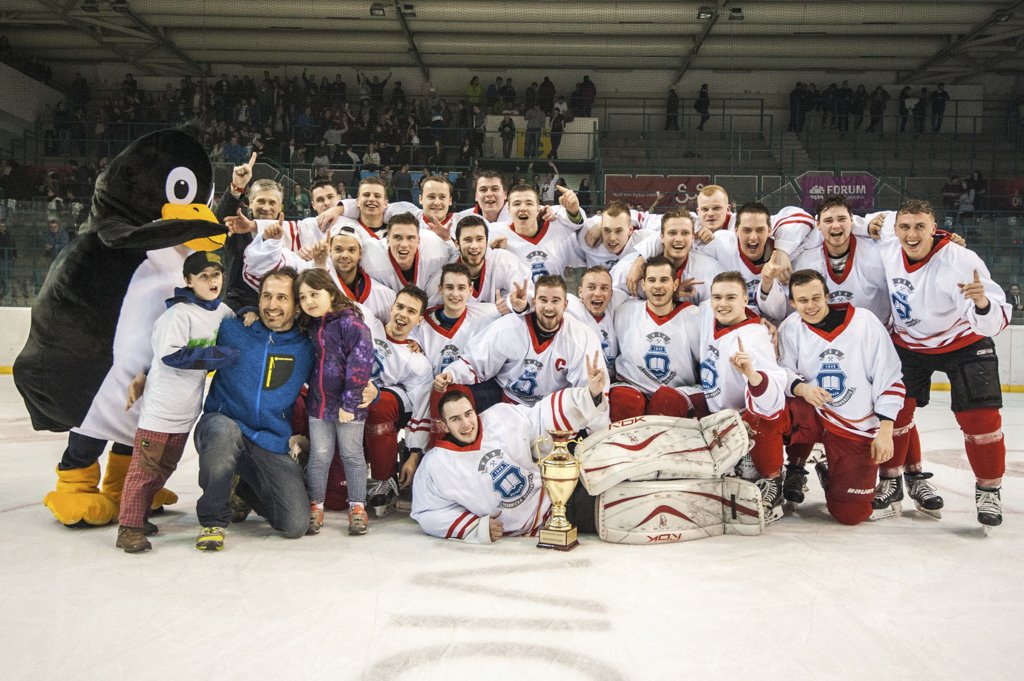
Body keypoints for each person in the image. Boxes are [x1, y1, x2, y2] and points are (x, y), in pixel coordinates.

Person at [863, 200, 1011, 527]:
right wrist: (870, 223)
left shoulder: (960, 260)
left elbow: (997, 317)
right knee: (893, 412)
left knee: (981, 418)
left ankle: (989, 489)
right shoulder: (889, 240)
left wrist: (983, 304)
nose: (911, 234)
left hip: (963, 341)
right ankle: (891, 480)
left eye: (920, 227)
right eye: (905, 227)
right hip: (908, 343)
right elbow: (873, 219)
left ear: (935, 228)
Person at [412, 355, 607, 543]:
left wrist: (589, 396)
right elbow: (426, 512)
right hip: (528, 528)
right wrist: (473, 527)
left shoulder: (500, 417)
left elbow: (540, 419)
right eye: (455, 419)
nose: (466, 424)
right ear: (445, 426)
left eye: (468, 414)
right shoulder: (435, 465)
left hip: (557, 499)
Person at [115, 252, 236, 553]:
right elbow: (172, 355)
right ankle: (128, 527)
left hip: (185, 412)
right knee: (145, 470)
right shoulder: (178, 314)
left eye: (216, 275)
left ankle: (139, 516)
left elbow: (236, 324)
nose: (211, 281)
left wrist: (247, 314)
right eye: (203, 276)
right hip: (160, 410)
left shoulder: (220, 311)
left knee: (164, 468)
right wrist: (221, 357)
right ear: (188, 280)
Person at [192, 269, 314, 550]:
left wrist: (370, 388)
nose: (272, 305)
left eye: (282, 298)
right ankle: (213, 520)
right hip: (222, 425)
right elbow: (193, 319)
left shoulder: (305, 347)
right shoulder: (233, 329)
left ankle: (244, 487)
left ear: (296, 306)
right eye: (266, 296)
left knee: (295, 524)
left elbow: (329, 379)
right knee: (223, 433)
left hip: (269, 440)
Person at [778, 270, 904, 525]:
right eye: (802, 301)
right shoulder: (791, 327)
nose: (810, 306)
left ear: (827, 296)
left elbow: (889, 377)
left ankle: (831, 473)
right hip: (811, 411)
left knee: (851, 514)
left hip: (854, 423)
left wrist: (885, 431)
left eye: (816, 298)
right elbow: (782, 372)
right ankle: (786, 471)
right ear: (792, 302)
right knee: (765, 411)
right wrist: (802, 389)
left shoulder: (865, 322)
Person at [435, 275, 609, 428]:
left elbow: (591, 391)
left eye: (555, 301)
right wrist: (451, 374)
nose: (549, 307)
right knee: (452, 392)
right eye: (543, 300)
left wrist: (594, 432)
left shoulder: (581, 337)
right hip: (505, 399)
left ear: (565, 304)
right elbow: (475, 362)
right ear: (534, 302)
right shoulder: (510, 326)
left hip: (551, 408)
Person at [699, 271, 787, 521]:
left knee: (763, 415)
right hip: (715, 409)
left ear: (745, 299)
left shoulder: (754, 337)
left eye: (730, 297)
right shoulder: (709, 313)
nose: (722, 303)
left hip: (744, 416)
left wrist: (751, 373)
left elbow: (773, 401)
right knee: (669, 399)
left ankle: (772, 478)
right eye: (717, 297)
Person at [294, 269, 374, 536]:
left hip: (348, 407)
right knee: (319, 456)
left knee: (352, 455)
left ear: (330, 291)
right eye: (303, 297)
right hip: (318, 405)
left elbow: (361, 363)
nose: (308, 301)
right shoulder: (311, 324)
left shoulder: (351, 324)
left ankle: (358, 506)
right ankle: (315, 505)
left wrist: (350, 403)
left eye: (314, 294)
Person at [364, 285, 434, 515]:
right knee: (335, 498)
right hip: (350, 400)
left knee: (381, 403)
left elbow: (422, 407)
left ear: (419, 320)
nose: (403, 314)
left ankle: (384, 477)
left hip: (384, 402)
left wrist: (414, 455)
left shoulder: (417, 361)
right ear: (391, 308)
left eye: (411, 311)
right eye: (400, 307)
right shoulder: (368, 324)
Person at [610, 256, 703, 422]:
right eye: (652, 280)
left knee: (666, 402)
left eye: (664, 280)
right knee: (624, 401)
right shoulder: (624, 311)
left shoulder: (695, 316)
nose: (658, 286)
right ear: (643, 285)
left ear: (675, 284)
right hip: (631, 386)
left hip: (676, 391)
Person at [0, 218, 16, 300]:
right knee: (2, 274)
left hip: (8, 257)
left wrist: (14, 255)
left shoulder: (8, 235)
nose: (2, 228)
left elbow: (13, 245)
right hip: (1, 257)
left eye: (3, 226)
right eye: (0, 226)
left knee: (7, 274)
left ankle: (5, 291)